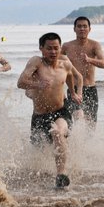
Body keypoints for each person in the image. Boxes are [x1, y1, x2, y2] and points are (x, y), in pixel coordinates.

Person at [17, 32, 83, 188]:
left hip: (61, 111)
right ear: (41, 48)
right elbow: (21, 82)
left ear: (60, 48)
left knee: (57, 133)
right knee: (38, 153)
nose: (53, 52)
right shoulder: (36, 62)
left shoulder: (65, 64)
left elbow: (74, 78)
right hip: (39, 116)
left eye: (56, 48)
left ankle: (61, 175)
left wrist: (75, 93)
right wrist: (37, 85)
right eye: (49, 48)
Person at [61, 16, 104, 129]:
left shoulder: (95, 45)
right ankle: (75, 143)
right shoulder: (67, 46)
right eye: (79, 26)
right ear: (74, 29)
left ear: (89, 29)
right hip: (74, 89)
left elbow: (103, 64)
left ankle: (87, 146)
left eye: (85, 26)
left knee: (91, 125)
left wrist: (90, 60)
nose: (82, 29)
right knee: (78, 117)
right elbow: (55, 62)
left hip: (90, 89)